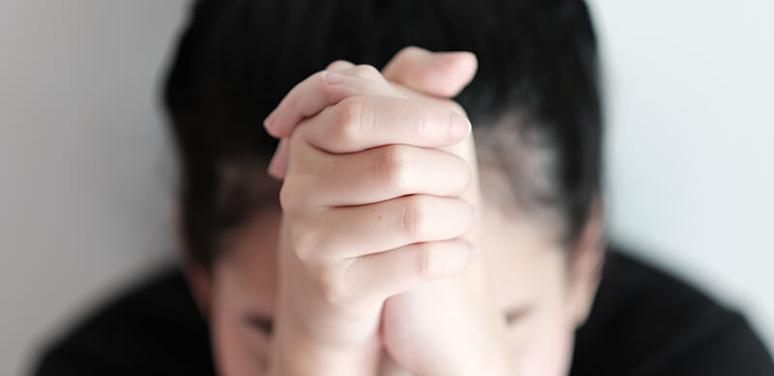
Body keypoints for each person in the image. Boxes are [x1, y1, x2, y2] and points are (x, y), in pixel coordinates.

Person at [33, 0, 773, 375]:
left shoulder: (699, 361)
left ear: (585, 260)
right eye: (267, 332)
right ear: (199, 269)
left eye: (500, 319)